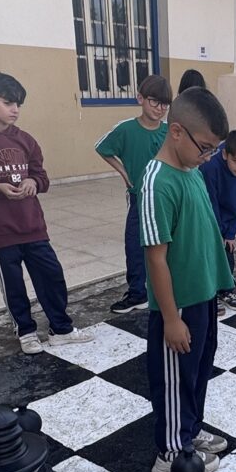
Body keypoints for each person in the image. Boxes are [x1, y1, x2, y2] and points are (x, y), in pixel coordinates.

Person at [0, 71, 94, 354]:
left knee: (51, 276)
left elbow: (42, 177)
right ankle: (26, 332)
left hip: (33, 227)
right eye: (8, 102)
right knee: (13, 287)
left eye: (18, 103)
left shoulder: (26, 141)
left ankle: (60, 328)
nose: (15, 109)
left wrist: (32, 182)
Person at [140, 88, 233, 472]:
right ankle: (171, 452)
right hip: (176, 305)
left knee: (196, 371)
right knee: (174, 378)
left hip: (202, 297)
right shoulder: (157, 182)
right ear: (176, 131)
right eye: (206, 147)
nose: (208, 156)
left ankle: (189, 432)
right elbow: (156, 257)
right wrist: (171, 319)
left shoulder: (190, 170)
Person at [95, 74, 173, 314]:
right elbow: (103, 148)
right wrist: (123, 172)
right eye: (154, 102)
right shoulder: (126, 129)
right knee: (135, 246)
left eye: (165, 104)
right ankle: (138, 293)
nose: (160, 109)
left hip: (165, 200)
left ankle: (168, 290)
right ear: (140, 98)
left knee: (167, 245)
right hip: (139, 199)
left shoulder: (170, 131)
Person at [199, 128, 236, 316]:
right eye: (235, 160)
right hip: (207, 216)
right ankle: (209, 295)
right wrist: (218, 233)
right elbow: (211, 203)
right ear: (225, 154)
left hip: (228, 217)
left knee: (228, 252)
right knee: (209, 257)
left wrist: (230, 233)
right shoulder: (210, 168)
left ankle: (225, 290)